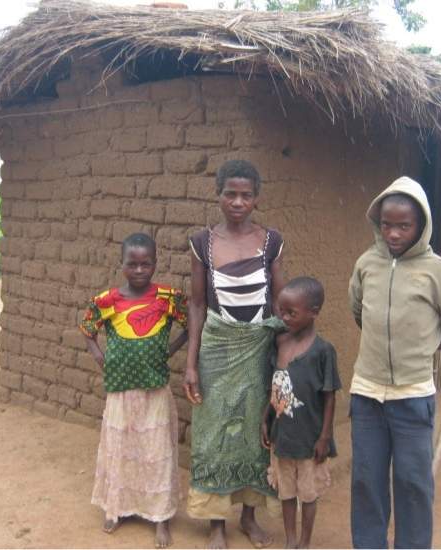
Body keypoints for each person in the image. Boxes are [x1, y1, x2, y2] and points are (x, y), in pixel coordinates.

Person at [348, 176, 441, 549]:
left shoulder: (437, 271)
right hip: (367, 393)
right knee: (366, 481)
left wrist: (422, 346)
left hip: (414, 396)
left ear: (421, 226)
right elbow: (360, 314)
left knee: (413, 484)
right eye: (387, 224)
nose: (394, 233)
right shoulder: (366, 265)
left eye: (404, 225)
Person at [183, 159, 285, 549]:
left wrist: (283, 355)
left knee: (254, 433)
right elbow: (196, 304)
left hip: (259, 347)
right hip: (217, 348)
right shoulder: (202, 242)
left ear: (256, 199)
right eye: (230, 194)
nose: (237, 202)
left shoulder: (271, 241)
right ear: (218, 195)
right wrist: (191, 363)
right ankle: (216, 524)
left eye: (246, 195)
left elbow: (278, 299)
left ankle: (248, 516)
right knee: (213, 432)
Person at [79, 233, 188, 549]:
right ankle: (117, 507)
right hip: (121, 390)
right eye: (133, 264)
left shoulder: (168, 298)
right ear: (122, 264)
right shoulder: (107, 300)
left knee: (156, 452)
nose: (140, 270)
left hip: (155, 391)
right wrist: (100, 356)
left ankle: (160, 517)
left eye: (146, 263)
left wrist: (168, 351)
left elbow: (191, 325)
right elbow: (88, 331)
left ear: (155, 263)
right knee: (120, 448)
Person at [260, 276, 341, 549]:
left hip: (309, 439)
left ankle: (304, 542)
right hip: (283, 437)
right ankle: (290, 539)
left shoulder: (323, 351)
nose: (284, 318)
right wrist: (266, 418)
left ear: (314, 312)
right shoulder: (280, 343)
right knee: (286, 492)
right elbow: (276, 386)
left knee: (307, 494)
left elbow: (329, 397)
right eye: (282, 311)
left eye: (291, 313)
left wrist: (324, 437)